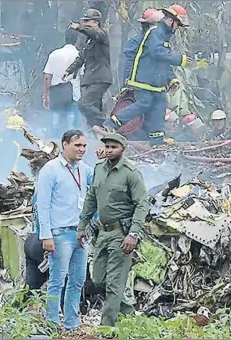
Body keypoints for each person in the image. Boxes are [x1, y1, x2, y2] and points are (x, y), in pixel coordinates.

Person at [77, 132, 149, 326]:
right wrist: (82, 226)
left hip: (122, 234)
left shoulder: (130, 173)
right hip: (102, 233)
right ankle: (128, 313)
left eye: (113, 147)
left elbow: (143, 204)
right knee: (99, 279)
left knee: (114, 284)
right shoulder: (99, 168)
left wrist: (133, 234)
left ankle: (107, 328)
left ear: (122, 149)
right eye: (107, 147)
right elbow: (91, 198)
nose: (109, 150)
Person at [102, 4, 192, 146]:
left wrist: (171, 79)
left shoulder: (164, 36)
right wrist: (180, 59)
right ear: (170, 20)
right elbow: (158, 53)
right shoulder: (156, 32)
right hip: (144, 80)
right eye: (178, 24)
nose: (178, 28)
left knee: (160, 105)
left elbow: (163, 63)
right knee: (144, 103)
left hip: (156, 83)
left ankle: (156, 140)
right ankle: (112, 123)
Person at [37, 129, 93, 331]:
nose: (82, 149)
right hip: (59, 233)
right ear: (65, 144)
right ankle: (51, 323)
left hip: (81, 234)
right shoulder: (50, 169)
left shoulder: (85, 169)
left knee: (77, 281)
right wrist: (46, 235)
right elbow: (41, 204)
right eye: (77, 145)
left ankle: (72, 323)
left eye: (84, 146)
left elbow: (99, 185)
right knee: (57, 281)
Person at [63, 9, 111, 127]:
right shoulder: (89, 40)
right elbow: (81, 58)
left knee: (84, 104)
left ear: (96, 22)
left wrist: (78, 27)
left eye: (87, 21)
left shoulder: (102, 34)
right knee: (93, 110)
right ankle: (99, 133)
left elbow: (94, 33)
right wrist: (68, 71)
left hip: (100, 78)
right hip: (91, 79)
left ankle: (108, 124)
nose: (84, 24)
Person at [43, 28, 82, 138]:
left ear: (65, 38)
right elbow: (83, 76)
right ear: (77, 40)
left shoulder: (54, 54)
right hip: (74, 95)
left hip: (56, 95)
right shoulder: (79, 55)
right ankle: (72, 149)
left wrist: (45, 97)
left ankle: (55, 147)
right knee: (72, 127)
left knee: (55, 124)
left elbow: (47, 77)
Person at [122, 8, 165, 83]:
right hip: (140, 86)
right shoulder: (135, 41)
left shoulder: (160, 42)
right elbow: (129, 64)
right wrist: (127, 83)